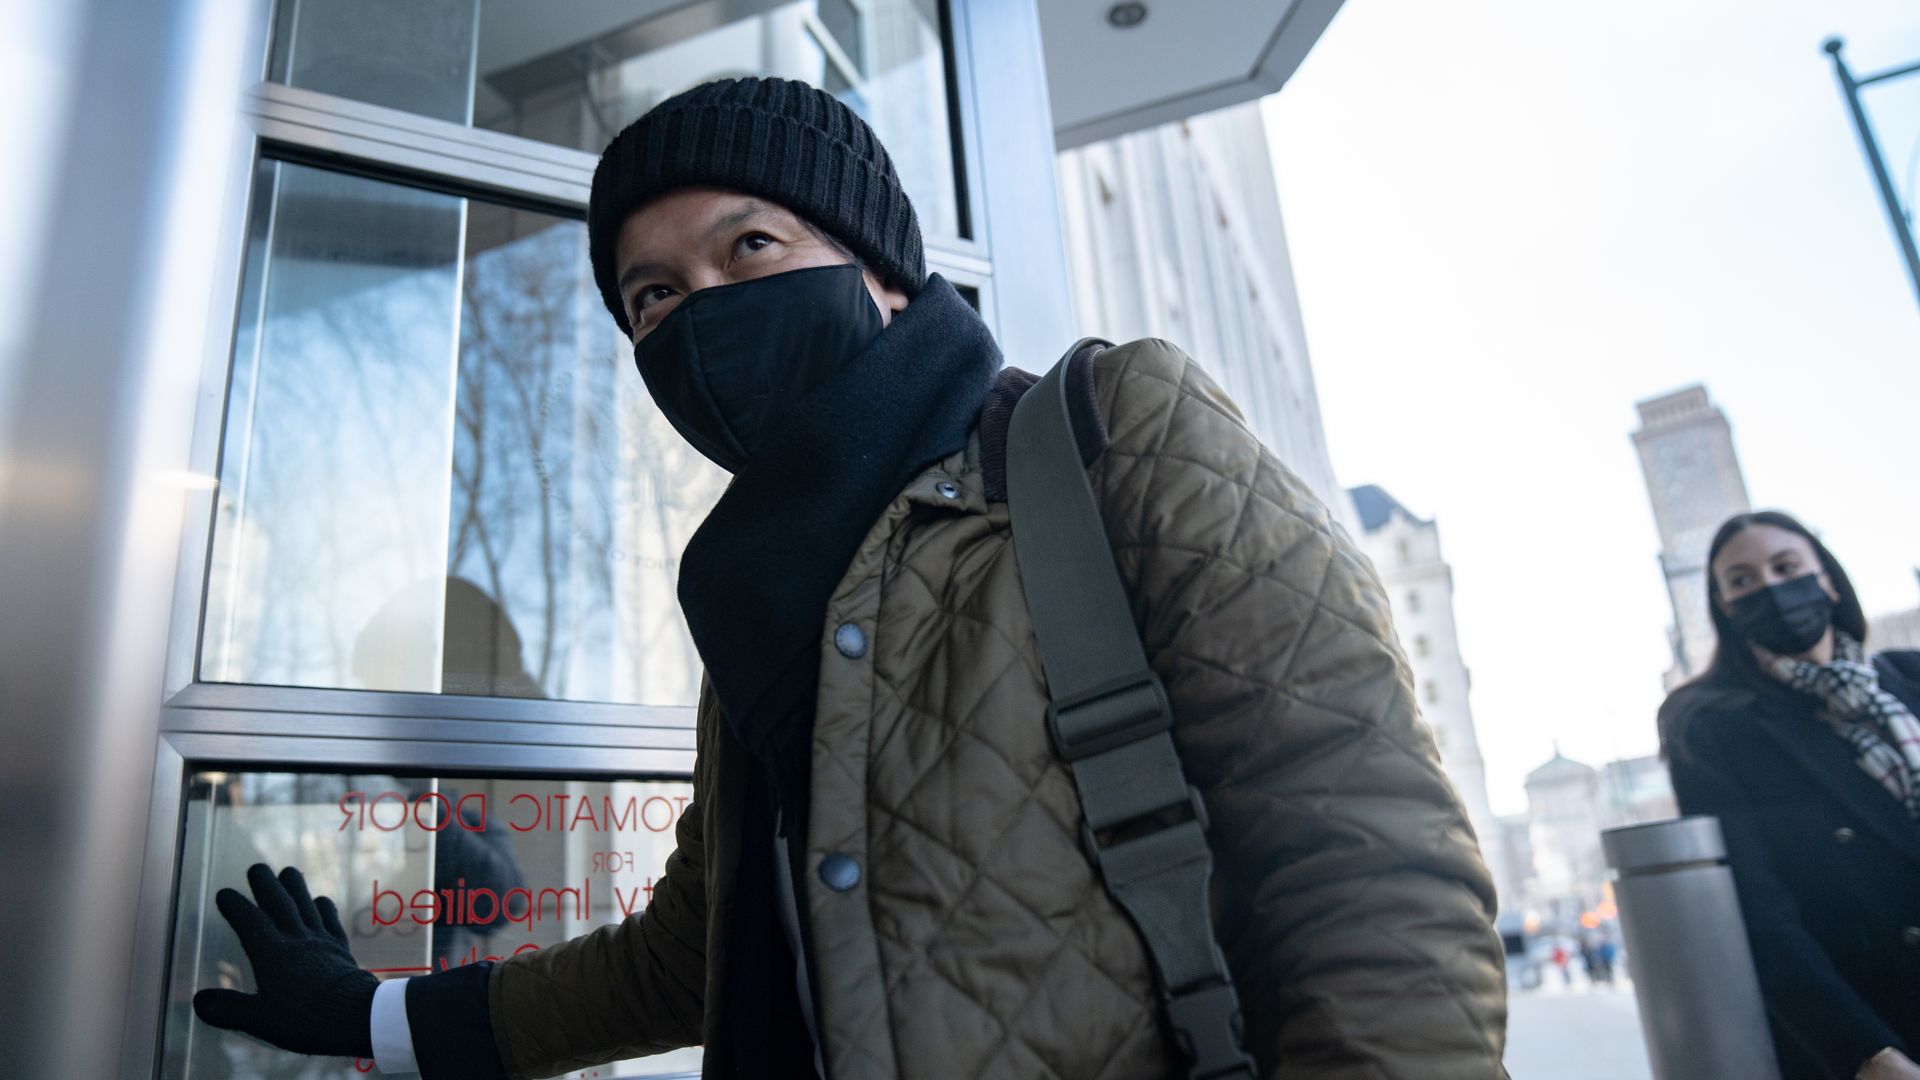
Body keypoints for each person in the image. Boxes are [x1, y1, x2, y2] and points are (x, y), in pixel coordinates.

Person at [192, 76, 1507, 1079]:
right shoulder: (760, 594)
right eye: (653, 296)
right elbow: (694, 953)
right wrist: (377, 1016)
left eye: (748, 249)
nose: (699, 308)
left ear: (876, 267)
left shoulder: (1108, 436)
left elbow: (1365, 860)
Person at [1660, 511, 1920, 1080]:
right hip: (1877, 1029)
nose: (1771, 588)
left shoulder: (1910, 676)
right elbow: (1759, 912)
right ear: (1724, 606)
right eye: (1743, 580)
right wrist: (1866, 1052)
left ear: (1827, 578)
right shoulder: (1709, 723)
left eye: (1786, 567)